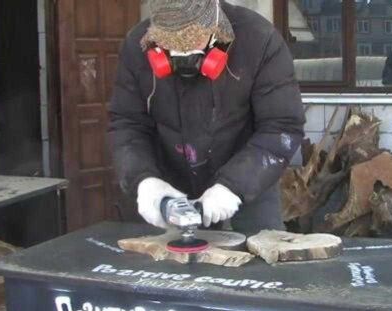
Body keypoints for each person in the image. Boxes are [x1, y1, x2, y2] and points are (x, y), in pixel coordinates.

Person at [108, 0, 305, 235]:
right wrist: (144, 179)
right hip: (169, 187)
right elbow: (127, 124)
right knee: (160, 265)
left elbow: (282, 126)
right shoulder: (136, 45)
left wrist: (233, 186)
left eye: (193, 46)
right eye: (172, 49)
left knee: (261, 263)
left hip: (251, 179)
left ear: (216, 25)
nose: (184, 59)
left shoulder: (259, 39)